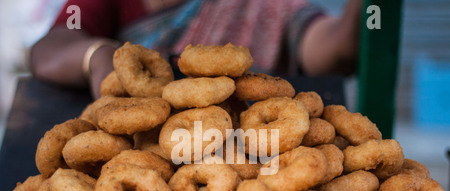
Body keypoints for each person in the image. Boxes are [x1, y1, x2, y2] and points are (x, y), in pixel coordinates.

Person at [30, 0, 362, 99]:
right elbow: (49, 49)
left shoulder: (266, 4)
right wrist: (97, 56)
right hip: (134, 157)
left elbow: (337, 52)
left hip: (250, 158)